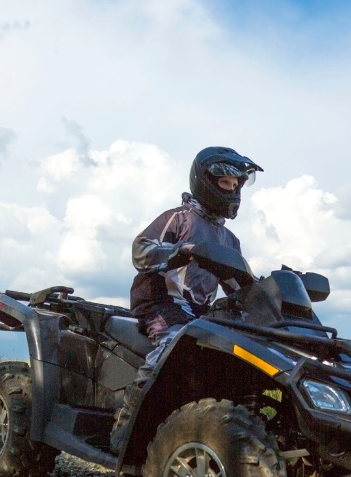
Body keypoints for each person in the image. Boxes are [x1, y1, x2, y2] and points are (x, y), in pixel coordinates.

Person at [109, 146, 263, 453]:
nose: (232, 191)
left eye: (237, 185)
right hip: (160, 303)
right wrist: (178, 252)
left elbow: (238, 285)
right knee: (170, 344)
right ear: (205, 181)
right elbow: (141, 249)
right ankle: (126, 425)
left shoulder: (229, 240)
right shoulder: (179, 218)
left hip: (199, 314)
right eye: (225, 183)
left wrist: (264, 292)